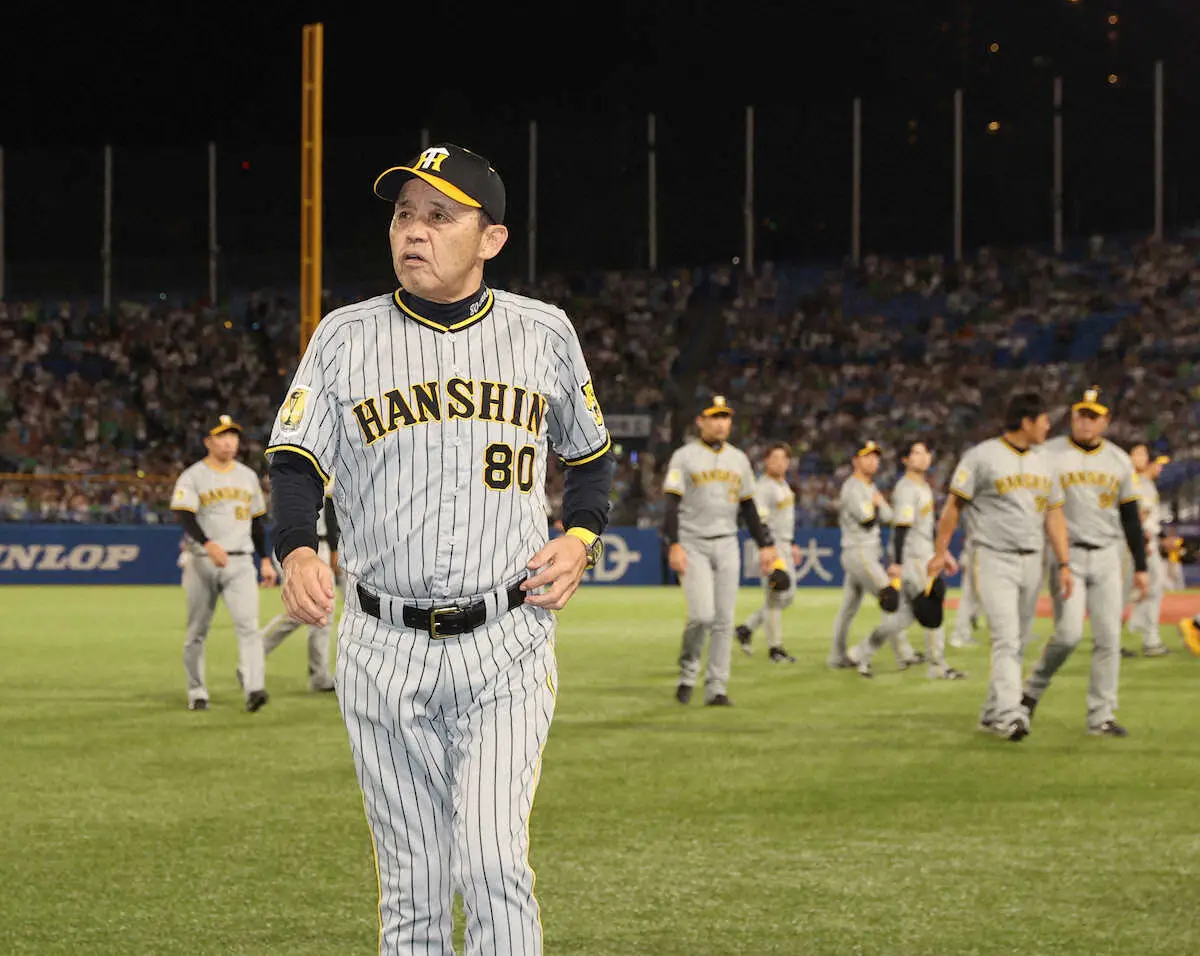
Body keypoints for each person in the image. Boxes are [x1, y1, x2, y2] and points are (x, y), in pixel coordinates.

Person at [265, 143, 614, 955]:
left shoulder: (543, 332)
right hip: (383, 646)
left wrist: (583, 535)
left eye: (439, 216)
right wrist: (297, 548)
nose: (413, 232)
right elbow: (295, 458)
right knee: (413, 887)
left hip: (506, 641)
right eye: (402, 214)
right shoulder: (346, 337)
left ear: (490, 239)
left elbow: (590, 453)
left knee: (493, 862)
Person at [928, 392, 1072, 742]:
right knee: (1006, 638)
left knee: (1018, 641)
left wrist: (1064, 562)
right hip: (992, 556)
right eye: (1043, 419)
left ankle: (993, 712)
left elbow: (1054, 514)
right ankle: (1011, 714)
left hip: (1032, 558)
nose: (1048, 426)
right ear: (1026, 421)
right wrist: (940, 551)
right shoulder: (982, 456)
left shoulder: (1046, 461)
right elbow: (953, 508)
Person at [1020, 389, 1149, 737]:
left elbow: (1130, 517)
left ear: (1105, 421)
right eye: (1081, 414)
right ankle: (1030, 692)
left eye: (1093, 416)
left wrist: (1141, 567)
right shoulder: (1048, 453)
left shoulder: (1119, 460)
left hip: (1109, 554)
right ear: (1073, 417)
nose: (1086, 421)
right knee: (1069, 634)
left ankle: (1101, 716)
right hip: (1067, 554)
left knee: (1108, 638)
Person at [663, 396, 778, 705]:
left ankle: (717, 687)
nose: (721, 422)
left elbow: (750, 507)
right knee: (701, 615)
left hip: (728, 541)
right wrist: (673, 543)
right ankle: (688, 671)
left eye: (725, 416)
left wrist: (766, 544)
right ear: (700, 421)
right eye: (714, 416)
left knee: (725, 619)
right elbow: (671, 505)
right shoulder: (684, 456)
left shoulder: (739, 459)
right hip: (692, 542)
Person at [170, 414, 277, 712]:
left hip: (242, 561)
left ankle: (255, 688)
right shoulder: (193, 476)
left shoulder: (247, 476)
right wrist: (207, 543)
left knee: (249, 628)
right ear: (208, 441)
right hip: (202, 561)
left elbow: (257, 523)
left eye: (234, 436)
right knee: (197, 631)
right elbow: (185, 515)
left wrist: (265, 559)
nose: (230, 441)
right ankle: (197, 690)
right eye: (222, 436)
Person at [846, 440, 966, 680]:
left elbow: (927, 526)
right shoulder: (907, 489)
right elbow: (901, 528)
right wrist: (898, 564)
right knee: (933, 606)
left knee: (903, 617)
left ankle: (861, 652)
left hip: (925, 555)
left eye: (925, 452)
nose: (923, 457)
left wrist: (944, 553)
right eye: (916, 453)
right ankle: (937, 665)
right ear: (906, 460)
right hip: (914, 558)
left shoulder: (923, 487)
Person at [827, 441, 922, 670]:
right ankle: (901, 654)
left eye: (876, 457)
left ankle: (836, 657)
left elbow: (889, 516)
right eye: (867, 456)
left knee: (848, 608)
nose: (873, 461)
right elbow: (868, 520)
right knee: (891, 599)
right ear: (855, 461)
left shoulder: (869, 487)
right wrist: (879, 504)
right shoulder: (852, 487)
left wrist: (879, 503)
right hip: (860, 552)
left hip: (864, 552)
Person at [257, 478, 341, 691]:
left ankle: (320, 677)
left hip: (317, 545)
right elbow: (328, 513)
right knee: (302, 610)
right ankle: (253, 653)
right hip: (303, 548)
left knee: (322, 613)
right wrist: (333, 549)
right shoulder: (302, 465)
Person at [735, 442, 799, 663]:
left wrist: (792, 543)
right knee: (775, 596)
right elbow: (760, 520)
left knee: (787, 596)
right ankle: (775, 649)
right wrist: (768, 549)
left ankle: (747, 628)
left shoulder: (783, 485)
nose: (779, 462)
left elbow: (785, 519)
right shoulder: (763, 487)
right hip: (770, 545)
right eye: (774, 458)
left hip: (784, 543)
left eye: (783, 458)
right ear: (766, 461)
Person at [1125, 447, 1171, 657]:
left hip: (1142, 541)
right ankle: (1146, 638)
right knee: (1125, 593)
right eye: (1158, 463)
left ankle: (1148, 636)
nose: (1160, 468)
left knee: (1151, 590)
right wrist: (1141, 543)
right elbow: (1139, 517)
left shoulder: (1147, 484)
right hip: (1136, 543)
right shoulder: (1134, 482)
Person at [947, 527, 982, 648]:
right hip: (976, 554)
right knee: (970, 597)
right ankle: (959, 635)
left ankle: (962, 633)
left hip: (974, 552)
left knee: (972, 598)